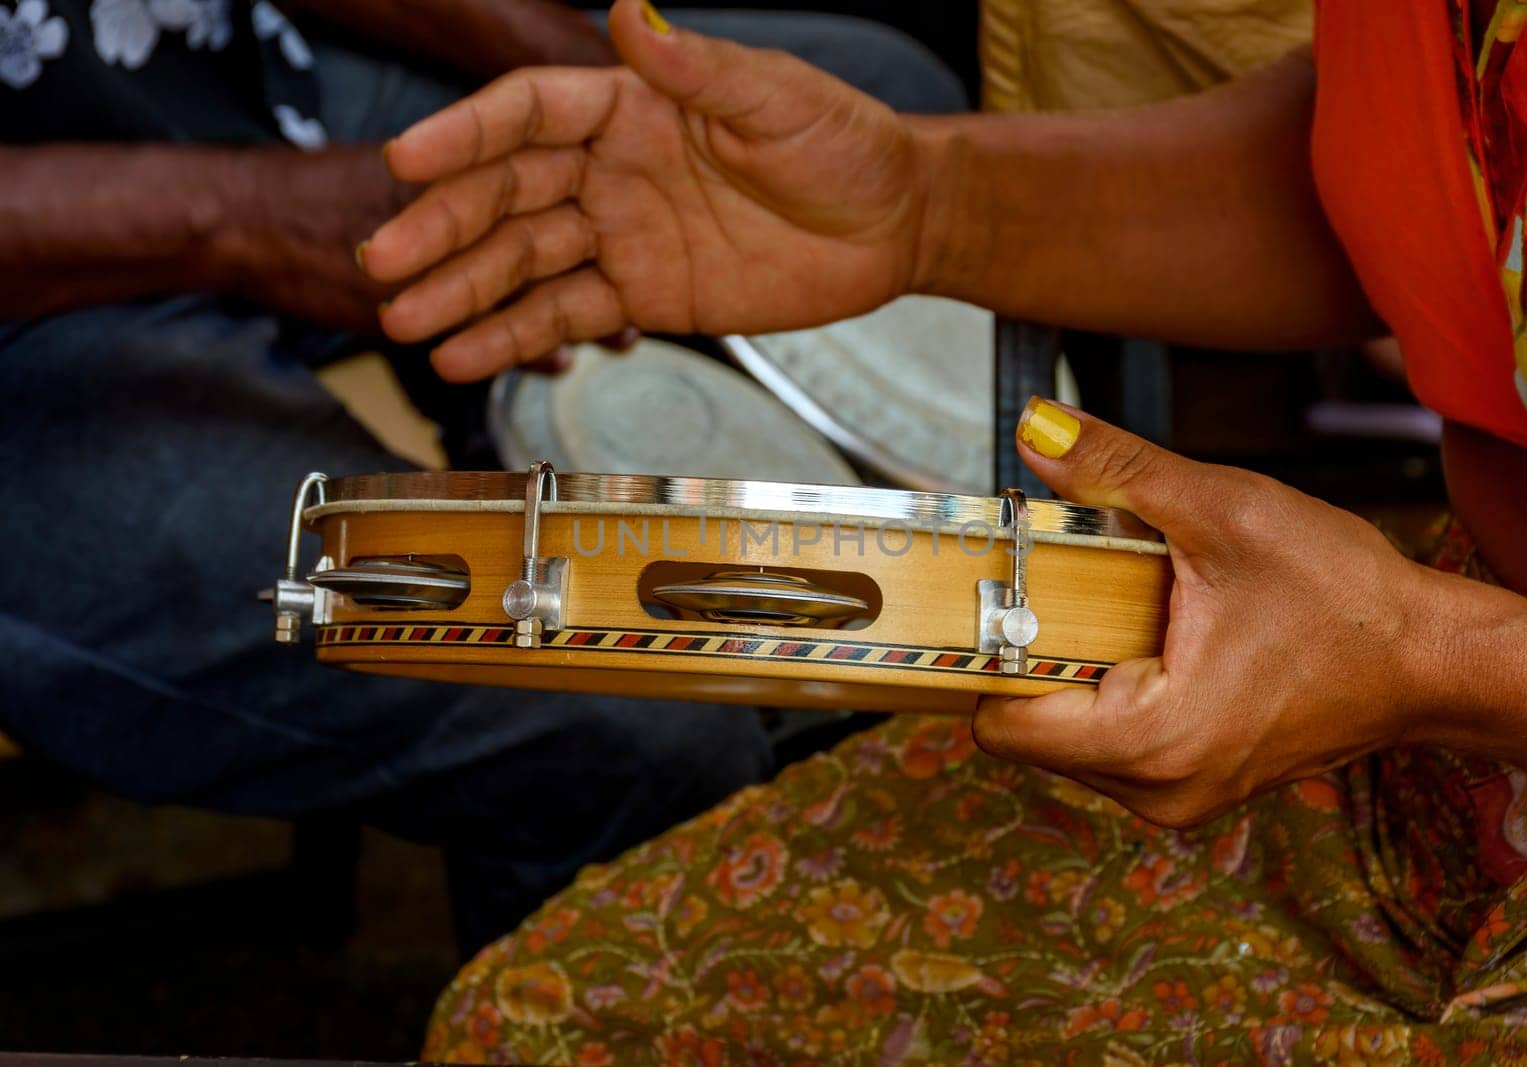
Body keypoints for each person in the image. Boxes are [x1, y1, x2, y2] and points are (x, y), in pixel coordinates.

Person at [365, 0, 1527, 1060]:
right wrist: (928, 207)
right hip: (1420, 792)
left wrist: (1429, 654)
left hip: (1466, 728)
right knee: (555, 1014)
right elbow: (1466, 169)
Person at [0, 0, 963, 955]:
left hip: (227, 71)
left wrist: (585, 67)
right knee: (634, 712)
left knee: (886, 118)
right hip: (33, 329)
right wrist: (252, 219)